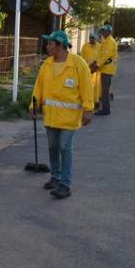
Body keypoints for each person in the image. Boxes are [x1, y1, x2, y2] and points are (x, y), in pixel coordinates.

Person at [31, 30, 93, 199]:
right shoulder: (47, 64)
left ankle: (65, 184)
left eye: (50, 43)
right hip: (51, 115)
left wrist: (88, 109)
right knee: (53, 146)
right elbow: (39, 86)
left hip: (70, 117)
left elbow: (87, 87)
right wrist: (34, 104)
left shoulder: (78, 63)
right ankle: (55, 177)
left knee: (65, 147)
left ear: (59, 45)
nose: (47, 46)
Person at [90, 24, 118, 115]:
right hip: (104, 68)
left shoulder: (110, 42)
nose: (102, 32)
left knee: (105, 90)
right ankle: (105, 108)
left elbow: (106, 57)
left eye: (104, 31)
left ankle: (106, 109)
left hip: (107, 69)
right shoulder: (105, 41)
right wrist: (94, 62)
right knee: (104, 89)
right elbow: (100, 54)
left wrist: (96, 66)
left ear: (109, 32)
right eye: (102, 31)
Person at [79, 33, 102, 109]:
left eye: (93, 38)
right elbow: (81, 57)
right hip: (87, 70)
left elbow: (101, 57)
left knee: (97, 87)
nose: (92, 40)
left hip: (96, 70)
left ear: (96, 39)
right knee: (88, 87)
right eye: (90, 38)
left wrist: (96, 65)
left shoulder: (99, 47)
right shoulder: (85, 46)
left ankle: (96, 101)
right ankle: (89, 102)